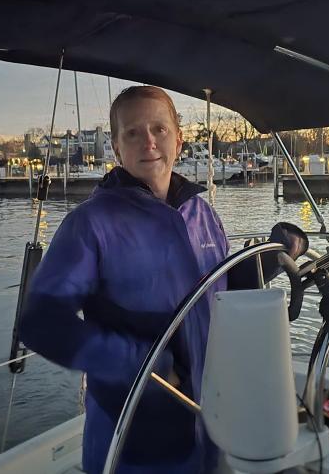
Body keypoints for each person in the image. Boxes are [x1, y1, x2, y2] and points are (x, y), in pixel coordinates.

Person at [22, 86, 302, 473]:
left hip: (209, 422)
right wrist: (142, 364)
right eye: (133, 133)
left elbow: (216, 292)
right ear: (116, 148)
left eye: (159, 129)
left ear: (179, 140)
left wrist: (268, 261)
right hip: (132, 437)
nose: (149, 141)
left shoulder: (202, 213)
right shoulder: (89, 224)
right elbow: (41, 323)